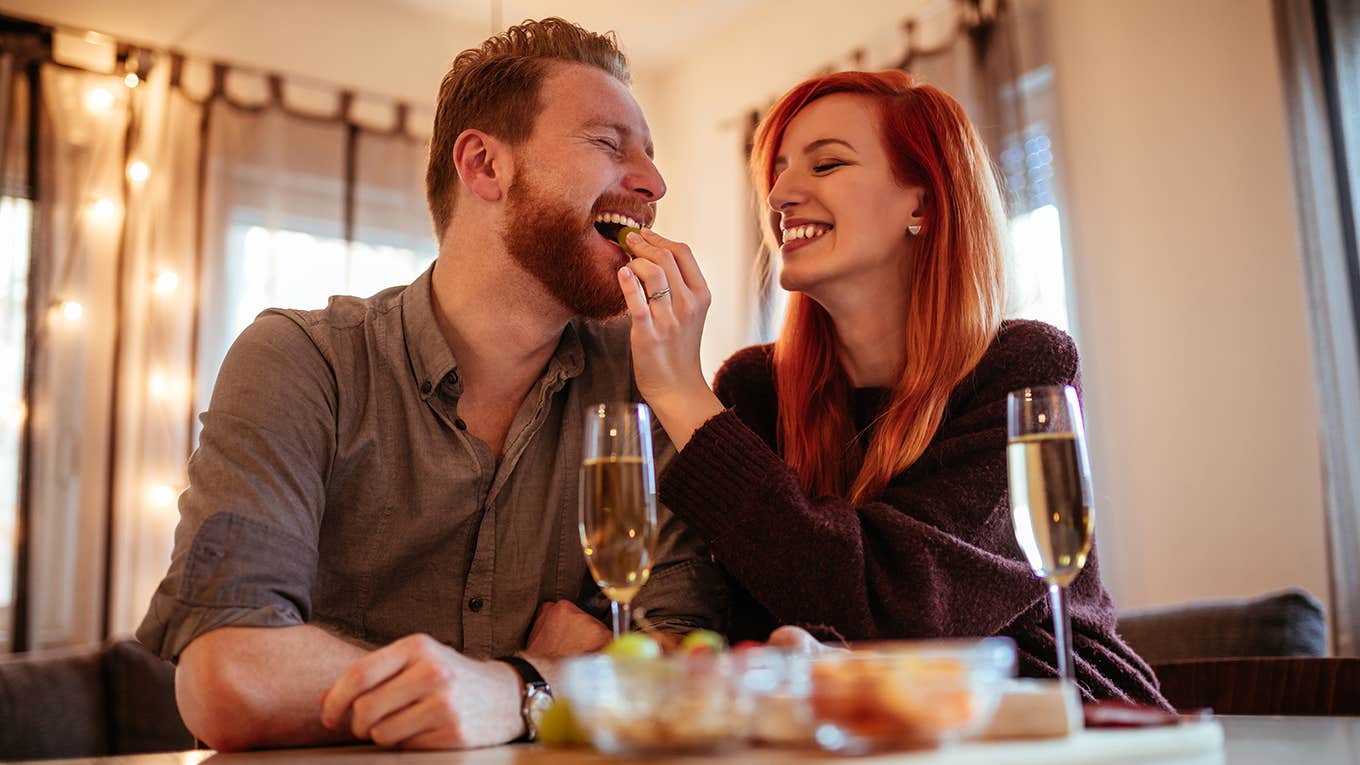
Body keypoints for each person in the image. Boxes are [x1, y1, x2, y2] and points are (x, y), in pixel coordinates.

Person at [137, 18, 726, 751]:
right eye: (610, 144)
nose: (653, 183)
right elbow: (229, 675)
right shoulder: (299, 362)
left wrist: (507, 692)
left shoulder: (645, 384)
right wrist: (533, 678)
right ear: (483, 165)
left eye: (649, 154)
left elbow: (690, 671)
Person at [614, 69, 1167, 706]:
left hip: (1057, 715)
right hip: (844, 729)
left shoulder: (1021, 368)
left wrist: (682, 393)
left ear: (923, 203)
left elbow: (901, 614)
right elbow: (740, 625)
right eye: (780, 170)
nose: (782, 193)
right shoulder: (753, 388)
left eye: (826, 165)